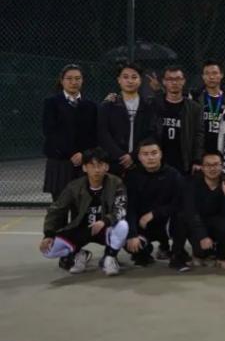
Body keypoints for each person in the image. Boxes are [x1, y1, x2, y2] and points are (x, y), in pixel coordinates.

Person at [40, 148, 128, 277]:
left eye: (100, 165)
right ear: (85, 168)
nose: (96, 170)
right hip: (81, 229)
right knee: (48, 251)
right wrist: (48, 234)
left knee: (123, 226)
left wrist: (105, 221)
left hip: (104, 228)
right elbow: (56, 209)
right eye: (92, 166)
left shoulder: (116, 183)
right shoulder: (74, 186)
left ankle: (110, 257)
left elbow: (121, 208)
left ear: (107, 167)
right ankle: (80, 254)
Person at [124, 139, 191, 271]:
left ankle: (177, 255)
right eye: (145, 154)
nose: (150, 157)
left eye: (154, 153)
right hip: (142, 224)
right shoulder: (132, 177)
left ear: (161, 154)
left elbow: (180, 203)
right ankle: (144, 253)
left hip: (166, 222)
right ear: (139, 157)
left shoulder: (173, 175)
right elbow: (129, 208)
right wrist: (132, 234)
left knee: (182, 216)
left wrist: (154, 213)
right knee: (126, 235)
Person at [42, 64, 98, 200]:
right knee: (60, 205)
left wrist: (83, 154)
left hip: (84, 162)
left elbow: (94, 134)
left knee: (81, 206)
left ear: (82, 80)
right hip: (60, 162)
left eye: (78, 78)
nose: (74, 82)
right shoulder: (51, 103)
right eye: (69, 78)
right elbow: (49, 132)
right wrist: (71, 154)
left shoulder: (91, 105)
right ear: (62, 80)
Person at [97, 62, 159, 177]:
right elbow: (103, 133)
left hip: (140, 162)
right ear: (119, 80)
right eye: (125, 77)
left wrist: (133, 155)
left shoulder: (148, 107)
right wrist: (120, 155)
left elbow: (151, 133)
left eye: (134, 77)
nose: (130, 81)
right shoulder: (108, 105)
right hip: (113, 162)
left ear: (140, 80)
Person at [185, 150, 225, 269]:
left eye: (216, 164)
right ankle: (197, 254)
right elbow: (191, 212)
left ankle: (223, 257)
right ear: (202, 167)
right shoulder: (192, 184)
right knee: (183, 220)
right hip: (198, 223)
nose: (212, 168)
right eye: (208, 165)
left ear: (222, 166)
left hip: (217, 223)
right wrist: (202, 235)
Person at [154, 65, 204, 176]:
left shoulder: (194, 108)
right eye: (170, 79)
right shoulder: (155, 105)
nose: (174, 82)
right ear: (164, 82)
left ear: (183, 81)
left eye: (178, 79)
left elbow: (199, 135)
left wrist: (197, 160)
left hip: (184, 161)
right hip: (159, 160)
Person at [194, 60, 225, 154]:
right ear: (203, 76)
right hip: (201, 148)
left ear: (221, 75)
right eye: (207, 73)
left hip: (224, 149)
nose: (211, 77)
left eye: (214, 73)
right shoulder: (195, 98)